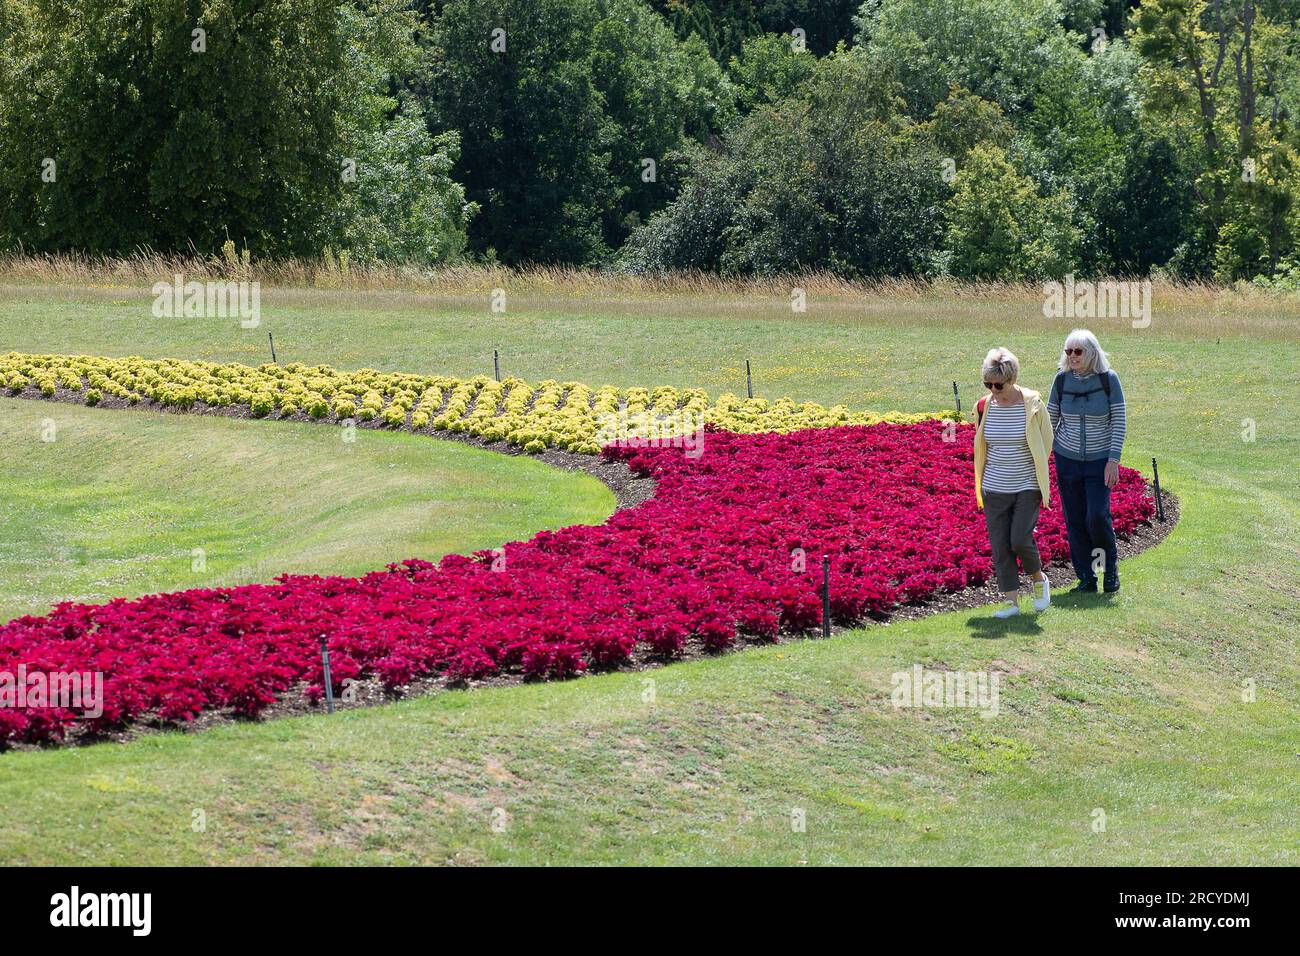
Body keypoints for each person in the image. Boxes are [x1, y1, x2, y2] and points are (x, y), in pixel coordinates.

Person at [973, 348, 1054, 618]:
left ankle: (1039, 580)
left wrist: (1035, 471)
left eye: (999, 384)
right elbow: (983, 443)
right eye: (988, 384)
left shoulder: (1032, 404)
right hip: (994, 487)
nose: (993, 389)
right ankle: (1011, 603)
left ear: (1012, 379)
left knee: (1019, 539)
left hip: (1026, 485)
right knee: (1000, 546)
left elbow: (1045, 442)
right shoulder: (983, 406)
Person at [1047, 329, 1127, 593]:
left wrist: (1113, 459)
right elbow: (1050, 419)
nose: (1072, 356)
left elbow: (1119, 421)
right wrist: (1040, 453)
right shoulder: (1061, 380)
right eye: (1068, 351)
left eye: (1077, 351)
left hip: (1099, 461)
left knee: (1096, 517)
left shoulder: (1108, 380)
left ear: (1091, 353)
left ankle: (1109, 571)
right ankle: (1087, 578)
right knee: (1075, 519)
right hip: (1067, 460)